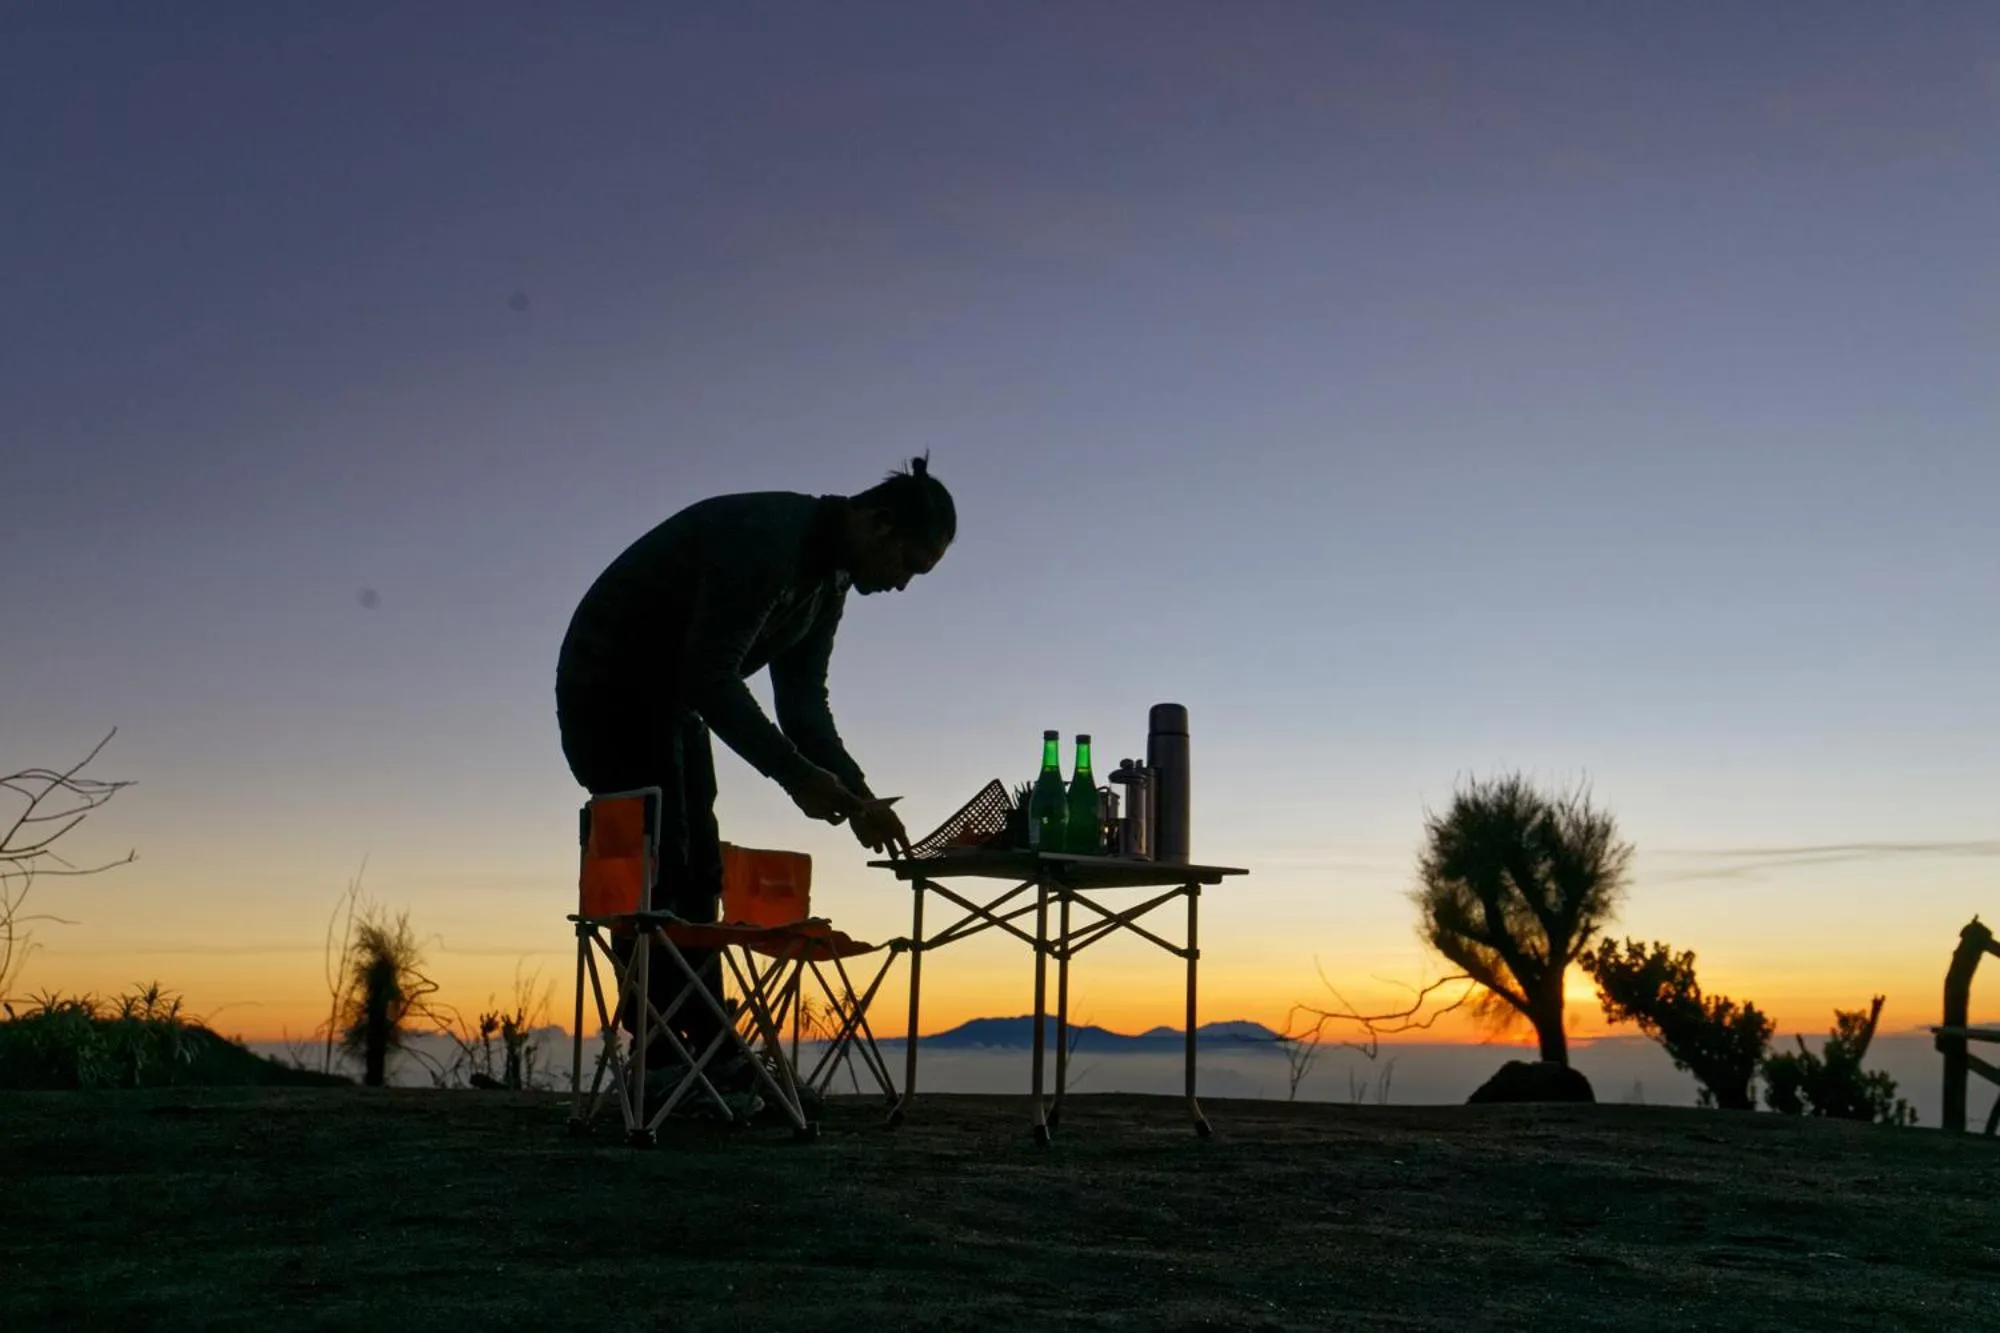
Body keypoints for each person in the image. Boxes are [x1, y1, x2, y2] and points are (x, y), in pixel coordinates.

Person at [555, 455, 954, 1076]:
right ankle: (662, 1054)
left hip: (674, 702)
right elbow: (710, 675)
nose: (902, 584)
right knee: (661, 865)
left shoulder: (829, 581)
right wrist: (797, 776)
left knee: (700, 871)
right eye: (908, 564)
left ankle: (707, 1046)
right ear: (879, 524)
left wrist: (859, 797)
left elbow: (802, 704)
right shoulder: (771, 541)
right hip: (610, 689)